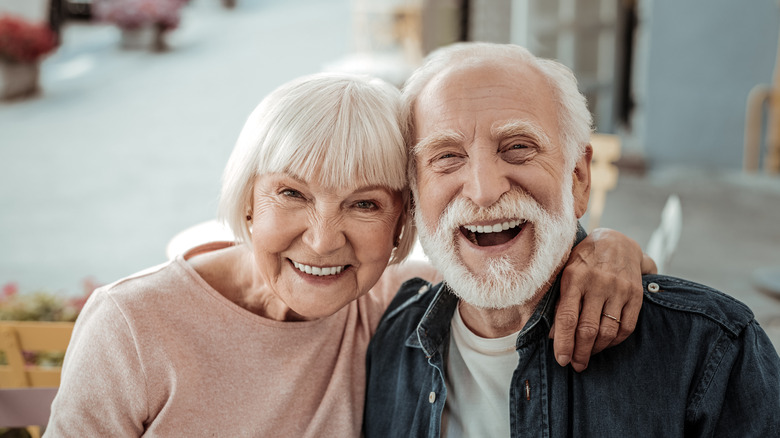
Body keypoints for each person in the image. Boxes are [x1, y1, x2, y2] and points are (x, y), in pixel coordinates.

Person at [46, 72, 650, 437]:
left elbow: (507, 260)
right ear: (247, 200)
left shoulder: (392, 304)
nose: (322, 240)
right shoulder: (132, 325)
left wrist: (607, 249)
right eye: (291, 194)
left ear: (399, 229)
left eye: (364, 205)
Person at [363, 42, 780, 437]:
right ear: (415, 195)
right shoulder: (388, 339)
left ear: (578, 178)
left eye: (518, 147)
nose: (484, 189)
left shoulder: (707, 350)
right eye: (447, 156)